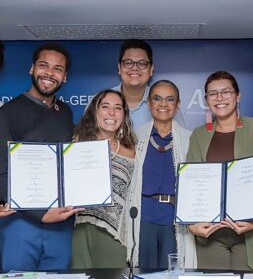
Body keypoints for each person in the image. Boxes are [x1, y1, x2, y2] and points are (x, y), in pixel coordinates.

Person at [187, 71, 253, 271]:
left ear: (238, 96)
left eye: (226, 92)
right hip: (212, 233)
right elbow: (191, 183)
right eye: (213, 94)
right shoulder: (199, 135)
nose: (219, 98)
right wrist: (191, 224)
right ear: (206, 100)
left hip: (251, 231)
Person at [0, 43, 81, 271]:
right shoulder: (7, 114)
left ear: (64, 77)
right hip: (21, 221)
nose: (49, 73)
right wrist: (41, 214)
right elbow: (2, 172)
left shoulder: (65, 112)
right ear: (31, 69)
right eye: (43, 65)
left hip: (60, 222)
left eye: (57, 69)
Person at [127, 80, 197, 269]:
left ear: (178, 104)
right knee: (144, 272)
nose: (163, 104)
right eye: (157, 99)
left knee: (173, 273)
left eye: (170, 99)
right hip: (143, 217)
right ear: (149, 104)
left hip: (173, 220)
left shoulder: (190, 139)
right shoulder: (135, 138)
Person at [72, 89, 136, 268]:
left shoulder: (133, 150)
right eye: (105, 106)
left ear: (124, 115)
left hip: (114, 232)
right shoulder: (78, 144)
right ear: (95, 111)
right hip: (81, 227)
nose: (111, 113)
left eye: (118, 108)